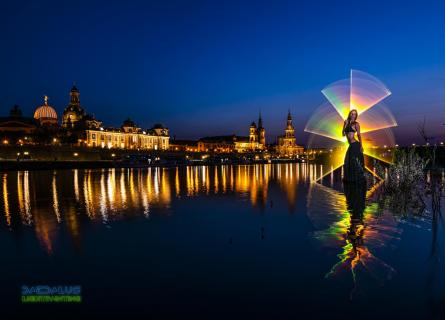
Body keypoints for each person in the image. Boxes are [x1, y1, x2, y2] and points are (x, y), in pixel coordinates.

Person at [342, 109, 366, 183]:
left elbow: (359, 135)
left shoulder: (356, 124)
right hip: (351, 145)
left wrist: (361, 146)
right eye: (352, 114)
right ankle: (350, 180)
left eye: (354, 114)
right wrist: (345, 125)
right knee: (347, 161)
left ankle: (357, 180)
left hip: (355, 145)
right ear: (349, 114)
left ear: (356, 116)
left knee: (355, 162)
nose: (353, 115)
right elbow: (343, 134)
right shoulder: (346, 123)